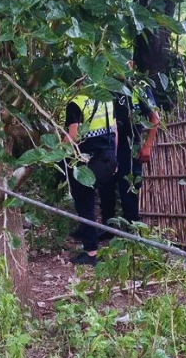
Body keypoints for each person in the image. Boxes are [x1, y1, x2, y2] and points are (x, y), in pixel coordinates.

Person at [99, 65, 160, 238]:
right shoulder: (107, 86)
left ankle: (132, 231)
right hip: (108, 143)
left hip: (130, 143)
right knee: (106, 185)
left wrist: (147, 145)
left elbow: (154, 118)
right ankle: (108, 228)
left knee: (129, 187)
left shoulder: (140, 86)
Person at [65, 91, 118, 266]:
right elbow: (115, 131)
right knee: (98, 196)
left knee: (84, 202)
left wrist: (54, 149)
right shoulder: (106, 99)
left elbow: (73, 137)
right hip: (109, 158)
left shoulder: (76, 103)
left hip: (89, 161)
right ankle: (90, 232)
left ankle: (91, 251)